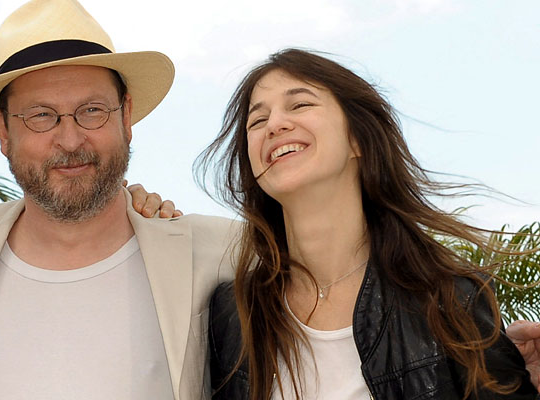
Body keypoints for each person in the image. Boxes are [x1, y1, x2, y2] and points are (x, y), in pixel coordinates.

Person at [0, 0, 238, 399]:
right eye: (41, 115)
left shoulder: (222, 252)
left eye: (92, 110)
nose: (70, 140)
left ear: (126, 116)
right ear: (4, 130)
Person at [201, 48, 539, 399]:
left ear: (358, 139)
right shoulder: (230, 314)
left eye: (299, 104)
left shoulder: (449, 300)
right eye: (257, 121)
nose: (275, 125)